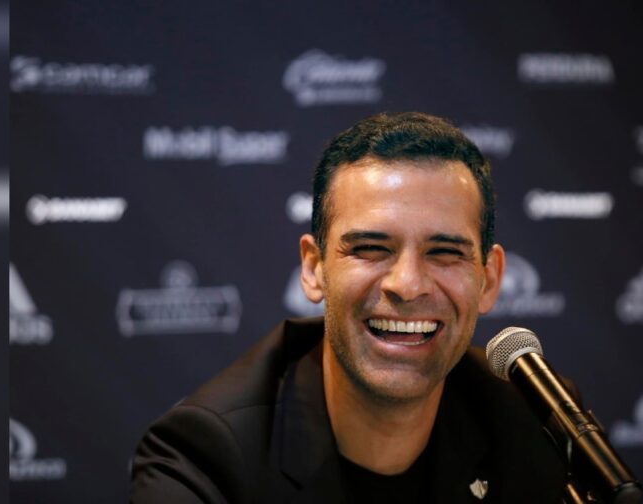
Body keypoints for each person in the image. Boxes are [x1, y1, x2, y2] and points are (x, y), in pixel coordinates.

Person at [130, 112, 572, 503]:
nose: (407, 285)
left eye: (444, 253)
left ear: (489, 280)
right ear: (314, 268)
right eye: (370, 248)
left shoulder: (538, 422)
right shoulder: (206, 458)